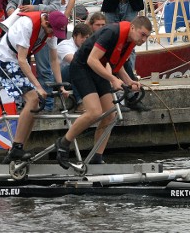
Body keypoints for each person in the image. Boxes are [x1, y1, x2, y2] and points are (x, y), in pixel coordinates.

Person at [55, 16, 153, 169]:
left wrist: (129, 81)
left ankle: (97, 157)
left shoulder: (129, 40)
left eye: (147, 36)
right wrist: (113, 79)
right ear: (133, 28)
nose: (144, 39)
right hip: (81, 67)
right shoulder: (111, 32)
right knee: (94, 112)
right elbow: (92, 60)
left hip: (97, 70)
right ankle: (63, 143)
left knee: (110, 115)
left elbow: (116, 64)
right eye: (143, 34)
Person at [0, 10, 69, 163]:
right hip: (6, 60)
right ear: (46, 23)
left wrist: (60, 86)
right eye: (51, 31)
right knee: (33, 99)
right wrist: (38, 87)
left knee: (35, 105)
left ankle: (18, 148)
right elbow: (22, 60)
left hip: (18, 61)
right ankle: (16, 148)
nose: (52, 35)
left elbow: (54, 60)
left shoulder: (52, 30)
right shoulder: (27, 24)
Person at [7, 0, 61, 111]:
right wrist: (11, 11)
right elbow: (11, 2)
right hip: (23, 33)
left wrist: (35, 8)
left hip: (41, 33)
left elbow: (56, 8)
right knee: (22, 67)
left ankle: (48, 106)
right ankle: (26, 104)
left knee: (44, 69)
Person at [57, 23, 92, 113]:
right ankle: (80, 102)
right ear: (74, 36)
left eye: (87, 37)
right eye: (82, 37)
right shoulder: (64, 45)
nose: (84, 40)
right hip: (58, 79)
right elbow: (74, 61)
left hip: (74, 78)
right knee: (74, 66)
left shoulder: (87, 47)